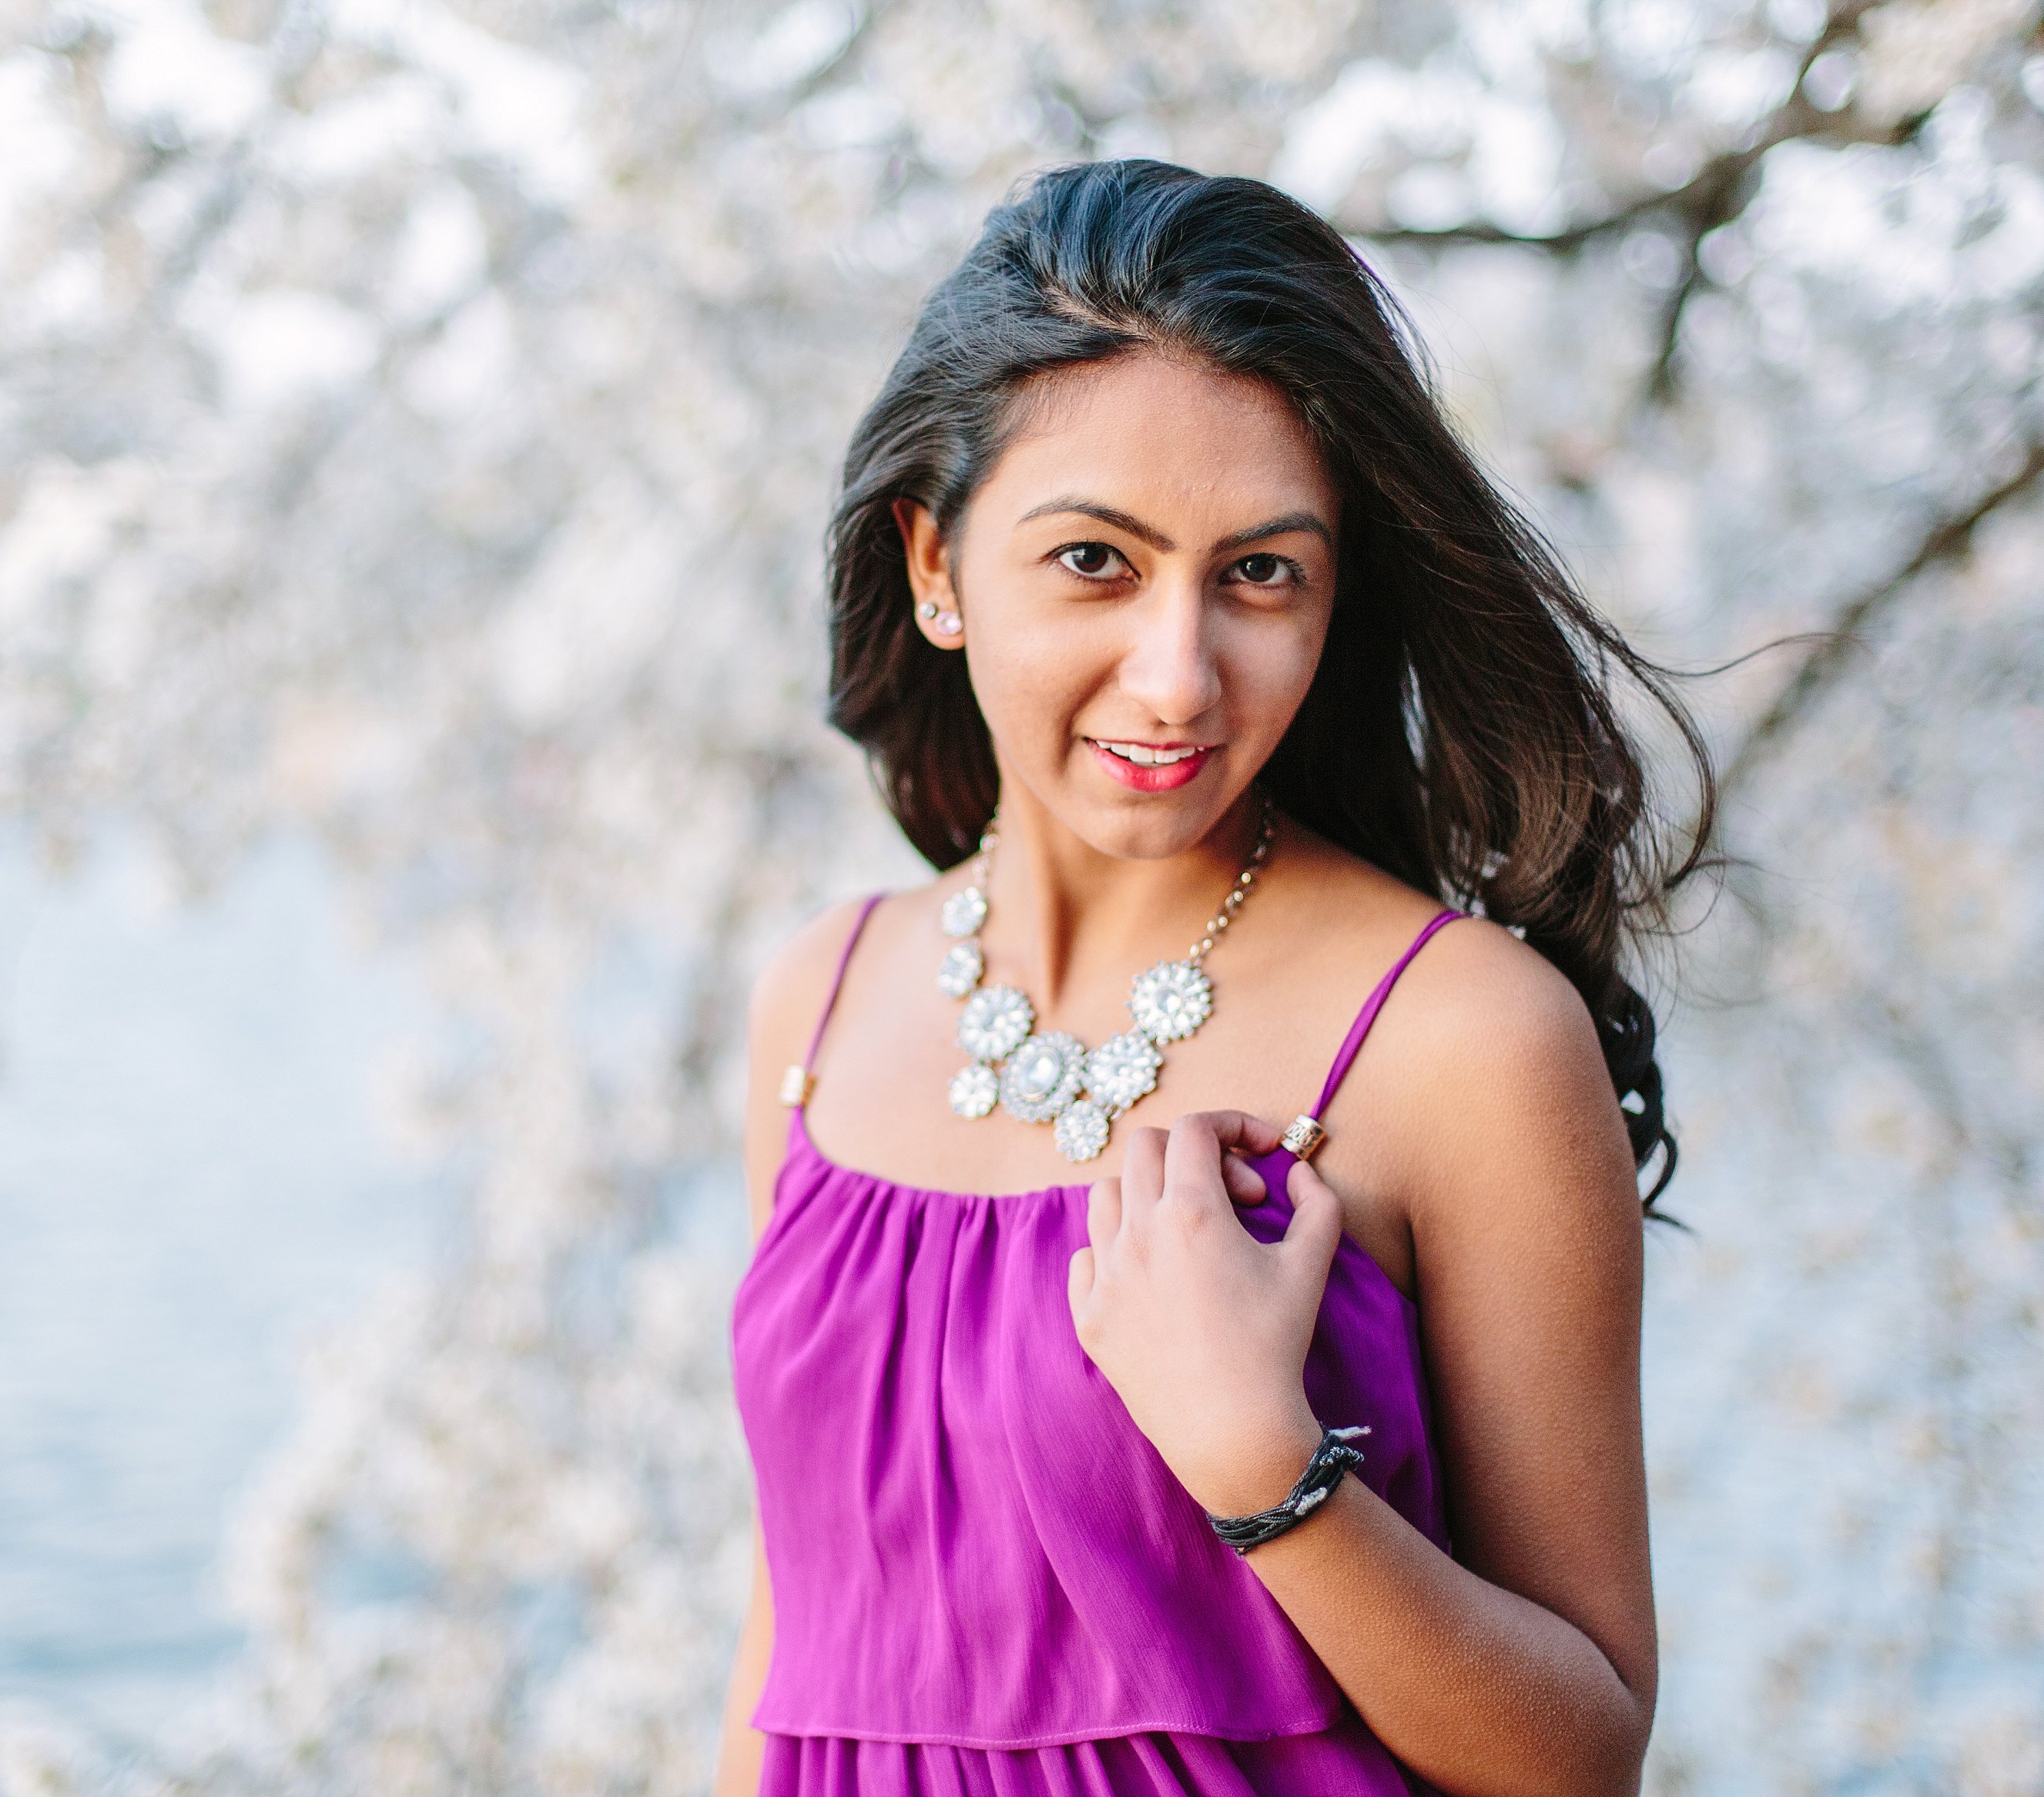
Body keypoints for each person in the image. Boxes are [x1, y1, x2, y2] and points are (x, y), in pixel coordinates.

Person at [718, 159, 1711, 1797]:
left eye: (1260, 573)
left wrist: (1267, 1468)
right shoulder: (817, 1006)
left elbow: (1576, 1754)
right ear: (935, 566)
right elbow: (793, 1634)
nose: (1177, 677)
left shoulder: (1458, 1041)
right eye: (1095, 562)